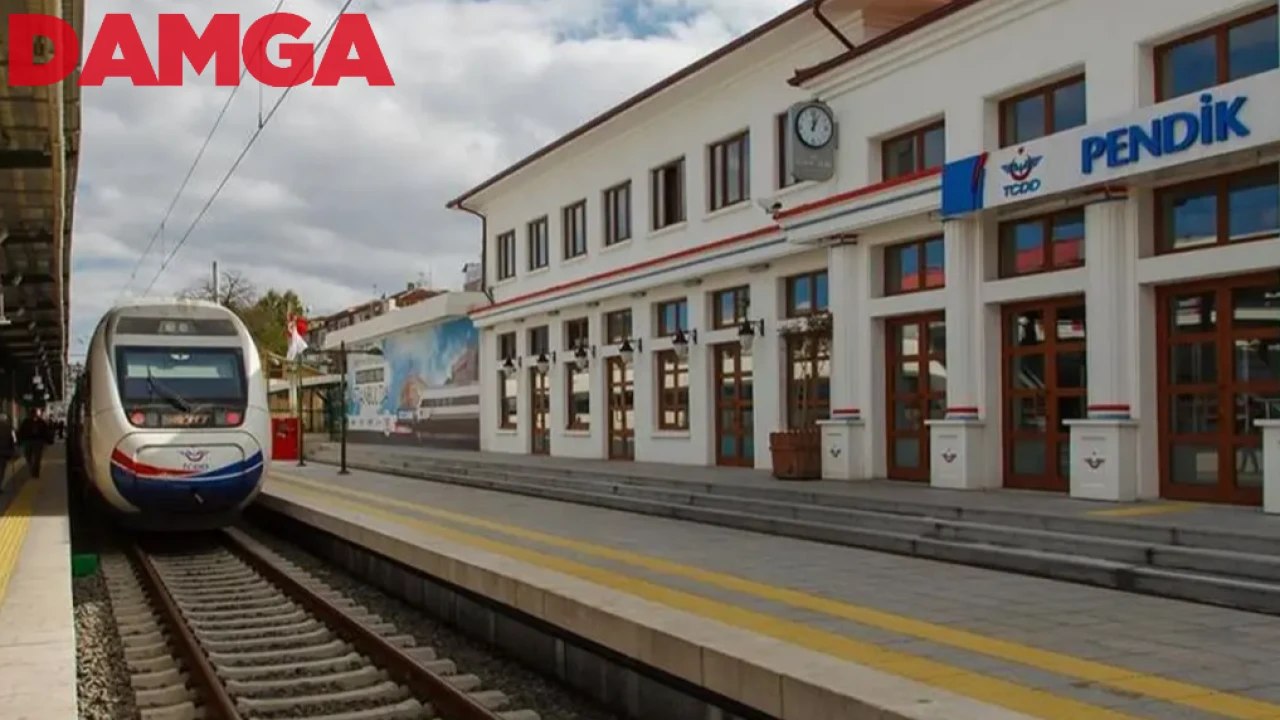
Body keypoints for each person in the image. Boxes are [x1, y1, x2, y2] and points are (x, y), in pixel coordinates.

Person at [17, 407, 52, 479]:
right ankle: (33, 469)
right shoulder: (26, 422)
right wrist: (19, 441)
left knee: (37, 458)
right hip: (30, 441)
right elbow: (21, 432)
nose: (33, 415)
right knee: (29, 457)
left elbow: (46, 431)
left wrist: (48, 440)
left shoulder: (40, 422)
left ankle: (35, 472)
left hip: (37, 441)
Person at [0, 412, 15, 490]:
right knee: (1, 469)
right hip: (4, 452)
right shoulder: (9, 427)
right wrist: (12, 451)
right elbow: (13, 440)